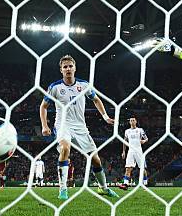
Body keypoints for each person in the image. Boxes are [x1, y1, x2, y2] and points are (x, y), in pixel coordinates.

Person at [39, 54, 119, 200]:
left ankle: (104, 188)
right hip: (63, 125)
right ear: (61, 70)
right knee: (65, 148)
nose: (68, 69)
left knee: (95, 160)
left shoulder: (83, 85)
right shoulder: (55, 87)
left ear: (75, 68)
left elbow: (96, 99)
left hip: (80, 127)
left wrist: (105, 116)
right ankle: (63, 189)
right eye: (65, 67)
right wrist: (45, 125)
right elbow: (43, 106)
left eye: (70, 66)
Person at [119, 117, 149, 190]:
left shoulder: (140, 130)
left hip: (138, 150)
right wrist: (123, 151)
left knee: (142, 168)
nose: (132, 121)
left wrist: (144, 141)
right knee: (128, 168)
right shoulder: (127, 131)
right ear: (129, 122)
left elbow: (146, 138)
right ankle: (125, 184)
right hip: (130, 151)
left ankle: (145, 183)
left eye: (133, 120)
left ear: (136, 122)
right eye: (131, 120)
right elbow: (124, 142)